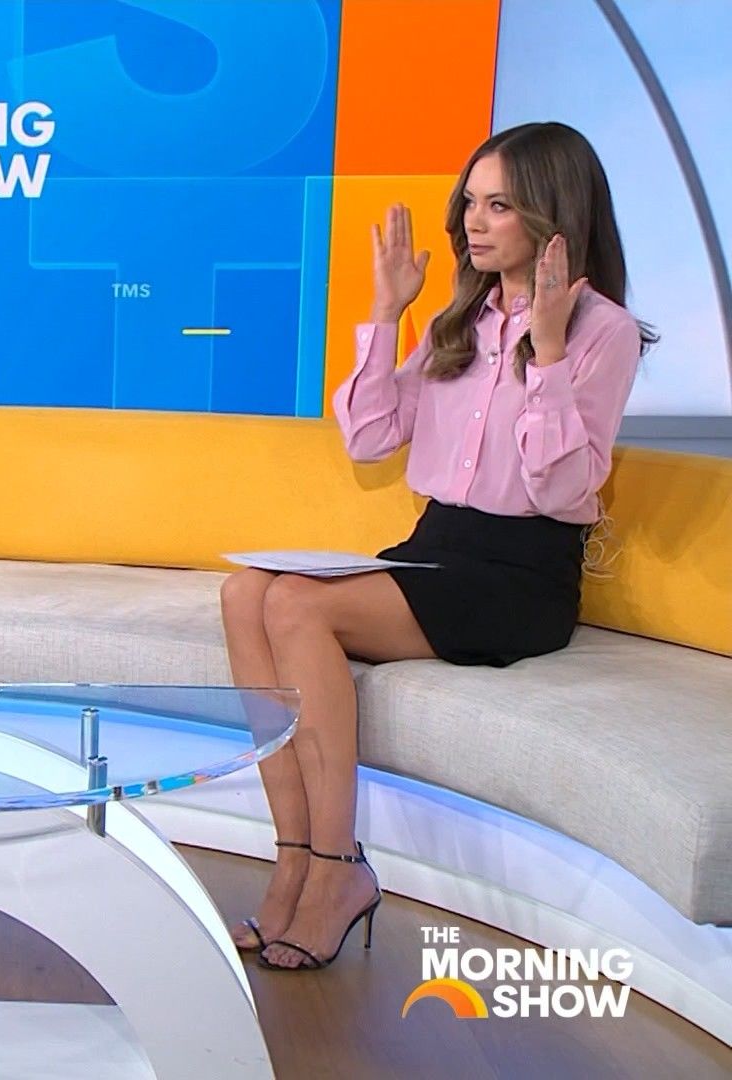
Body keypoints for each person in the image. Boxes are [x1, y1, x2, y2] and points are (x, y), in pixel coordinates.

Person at [219, 122, 654, 970]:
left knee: (297, 605)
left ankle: (338, 869)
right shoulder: (465, 319)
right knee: (245, 593)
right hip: (437, 547)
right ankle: (294, 859)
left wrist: (549, 351)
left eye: (499, 205)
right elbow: (368, 439)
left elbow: (559, 490)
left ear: (553, 216)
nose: (472, 222)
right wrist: (387, 313)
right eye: (470, 203)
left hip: (520, 573)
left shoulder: (604, 331)